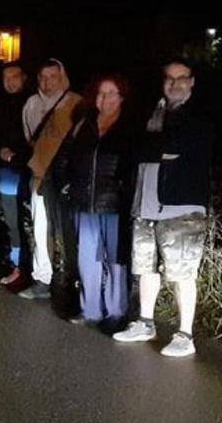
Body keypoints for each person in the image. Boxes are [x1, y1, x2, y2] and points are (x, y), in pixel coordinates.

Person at [113, 61, 213, 358]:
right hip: (145, 203)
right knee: (144, 267)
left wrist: (151, 146)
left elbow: (180, 145)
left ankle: (185, 334)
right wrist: (155, 148)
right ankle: (145, 322)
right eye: (169, 78)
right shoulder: (151, 111)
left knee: (182, 273)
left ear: (192, 82)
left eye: (182, 78)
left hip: (181, 206)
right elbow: (131, 146)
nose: (175, 83)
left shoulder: (200, 115)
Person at [53, 74, 135, 327]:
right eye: (101, 93)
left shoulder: (130, 126)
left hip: (114, 203)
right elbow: (63, 158)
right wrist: (65, 185)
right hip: (83, 202)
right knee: (87, 257)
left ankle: (116, 311)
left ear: (121, 97)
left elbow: (134, 166)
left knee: (115, 259)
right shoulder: (83, 124)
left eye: (112, 93)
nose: (106, 98)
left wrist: (126, 192)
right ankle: (89, 308)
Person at [18, 59, 84, 300]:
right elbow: (29, 138)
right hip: (39, 174)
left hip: (64, 178)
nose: (47, 82)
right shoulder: (31, 104)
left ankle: (72, 283)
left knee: (67, 232)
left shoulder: (76, 103)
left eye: (52, 77)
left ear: (62, 77)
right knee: (40, 227)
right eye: (42, 77)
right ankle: (42, 278)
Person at [0, 62, 33, 285]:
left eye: (15, 76)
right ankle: (17, 265)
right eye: (6, 77)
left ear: (24, 78)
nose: (10, 81)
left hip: (32, 172)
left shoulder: (35, 103)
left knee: (33, 222)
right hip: (6, 171)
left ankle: (38, 270)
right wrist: (0, 151)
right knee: (12, 220)